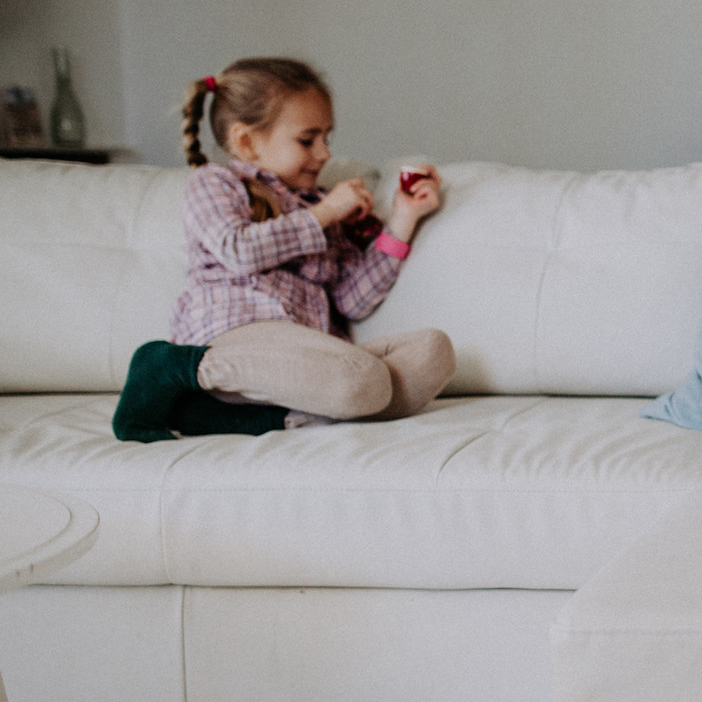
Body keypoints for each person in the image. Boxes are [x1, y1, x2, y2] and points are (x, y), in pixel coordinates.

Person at [113, 57, 454, 442]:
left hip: (304, 359)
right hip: (235, 334)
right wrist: (325, 213)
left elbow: (350, 302)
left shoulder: (322, 203)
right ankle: (176, 367)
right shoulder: (216, 183)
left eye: (327, 138)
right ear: (246, 141)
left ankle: (237, 418)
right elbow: (237, 249)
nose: (324, 153)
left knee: (432, 352)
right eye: (308, 140)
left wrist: (403, 221)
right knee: (364, 381)